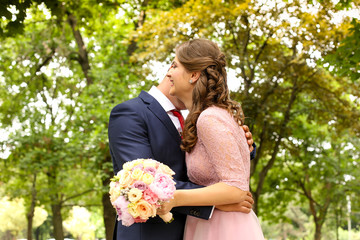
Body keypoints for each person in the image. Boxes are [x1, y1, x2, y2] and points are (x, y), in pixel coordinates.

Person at [108, 72, 256, 239]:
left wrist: (242, 145)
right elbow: (142, 183)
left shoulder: (197, 119)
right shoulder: (130, 113)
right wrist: (217, 200)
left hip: (193, 230)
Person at [157, 39, 265, 239]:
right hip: (209, 224)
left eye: (175, 66)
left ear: (194, 75)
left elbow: (236, 188)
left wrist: (176, 197)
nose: (168, 73)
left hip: (224, 229)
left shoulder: (209, 118)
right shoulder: (206, 117)